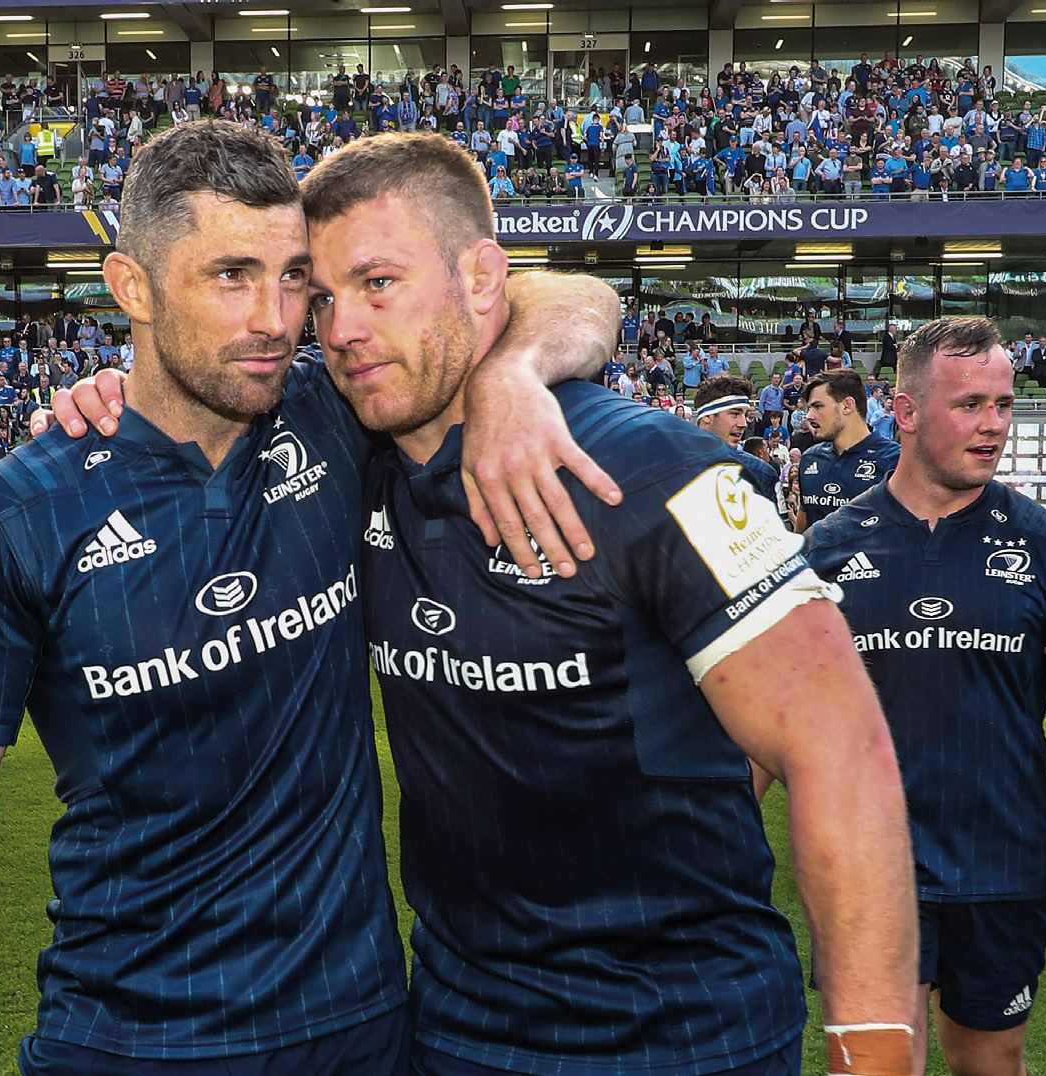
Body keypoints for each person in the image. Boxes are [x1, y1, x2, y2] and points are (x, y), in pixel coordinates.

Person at [0, 121, 621, 1076]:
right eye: (231, 275)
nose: (276, 319)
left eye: (294, 280)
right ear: (133, 288)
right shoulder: (16, 515)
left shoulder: (334, 413)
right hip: (127, 1036)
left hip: (359, 1027)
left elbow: (572, 293)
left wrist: (516, 370)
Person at [295, 133, 919, 1076]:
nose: (341, 328)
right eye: (324, 298)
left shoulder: (652, 468)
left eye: (378, 282)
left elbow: (841, 751)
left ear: (479, 277)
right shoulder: (351, 453)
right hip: (461, 1034)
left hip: (686, 1037)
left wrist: (873, 1050)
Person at [803, 316, 1046, 1076]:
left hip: (1003, 861)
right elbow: (784, 714)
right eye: (970, 404)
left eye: (1003, 405)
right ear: (905, 413)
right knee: (878, 1065)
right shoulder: (828, 549)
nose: (993, 426)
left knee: (990, 1062)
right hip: (867, 865)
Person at [796, 368, 901, 532]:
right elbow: (803, 531)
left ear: (847, 405)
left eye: (818, 406)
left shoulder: (894, 460)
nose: (809, 416)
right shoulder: (810, 458)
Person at [694, 375, 782, 504]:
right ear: (707, 416)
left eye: (745, 415)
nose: (743, 424)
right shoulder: (671, 469)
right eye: (735, 414)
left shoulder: (761, 473)